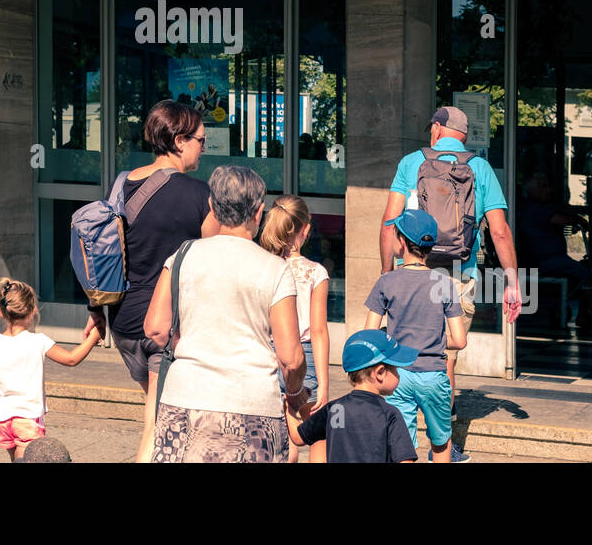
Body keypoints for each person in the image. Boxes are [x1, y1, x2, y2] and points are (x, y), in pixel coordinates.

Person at [378, 105, 520, 462]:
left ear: (439, 128)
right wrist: (513, 282)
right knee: (444, 360)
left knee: (401, 356)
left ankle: (401, 442)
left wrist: (387, 276)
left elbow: (388, 223)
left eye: (432, 128)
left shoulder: (411, 163)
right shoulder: (480, 168)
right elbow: (499, 231)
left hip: (409, 273)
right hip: (455, 275)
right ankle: (442, 448)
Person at [81, 100, 214, 463]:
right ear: (180, 140)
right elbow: (218, 258)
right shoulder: (200, 194)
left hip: (123, 324)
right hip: (164, 328)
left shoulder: (122, 184)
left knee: (163, 411)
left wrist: (96, 309)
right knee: (155, 426)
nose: (204, 146)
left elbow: (102, 252)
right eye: (202, 140)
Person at [144, 166, 306, 463]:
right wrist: (295, 393)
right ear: (259, 212)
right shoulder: (275, 269)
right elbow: (291, 358)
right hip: (252, 405)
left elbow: (155, 327)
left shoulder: (182, 256)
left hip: (184, 399)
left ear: (212, 208)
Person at [366, 209, 468, 462]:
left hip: (398, 375)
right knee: (441, 444)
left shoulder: (387, 282)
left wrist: (393, 339)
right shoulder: (444, 284)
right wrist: (430, 338)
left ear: (401, 242)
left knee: (402, 447)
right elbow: (460, 340)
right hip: (434, 375)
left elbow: (368, 334)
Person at [0, 278, 101, 461]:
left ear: (0, 312)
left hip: (2, 419)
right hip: (27, 417)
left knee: (17, 459)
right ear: (33, 311)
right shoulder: (38, 341)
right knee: (28, 458)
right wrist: (93, 336)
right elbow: (71, 359)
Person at [260, 194, 330, 463]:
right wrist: (323, 382)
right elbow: (319, 330)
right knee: (317, 434)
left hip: (269, 355)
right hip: (304, 356)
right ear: (306, 229)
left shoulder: (265, 268)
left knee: (281, 433)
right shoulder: (315, 272)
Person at [284, 330, 419, 464]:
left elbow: (297, 437)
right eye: (395, 369)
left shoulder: (336, 409)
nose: (398, 375)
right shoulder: (389, 414)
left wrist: (288, 407)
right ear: (380, 372)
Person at [518, 172, 592, 328]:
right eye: (543, 186)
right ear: (532, 191)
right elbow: (562, 220)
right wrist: (578, 219)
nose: (549, 190)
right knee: (586, 273)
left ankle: (584, 315)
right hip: (546, 259)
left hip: (549, 258)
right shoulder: (535, 209)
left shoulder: (535, 208)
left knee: (584, 271)